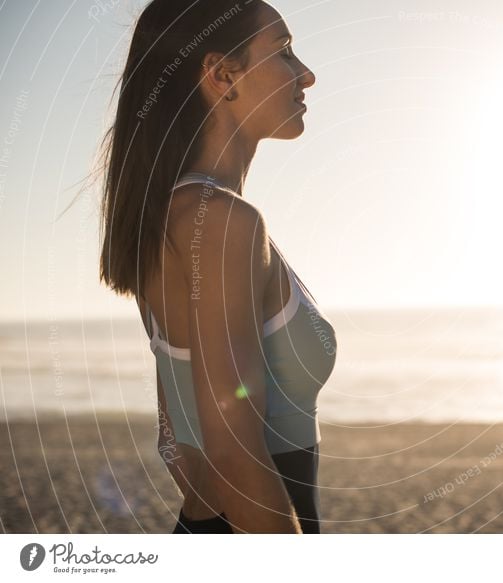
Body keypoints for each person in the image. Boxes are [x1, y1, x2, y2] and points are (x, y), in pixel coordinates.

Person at [97, 0, 336, 533]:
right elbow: (232, 454)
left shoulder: (171, 215)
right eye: (283, 51)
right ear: (223, 75)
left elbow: (172, 436)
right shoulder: (224, 223)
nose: (307, 74)